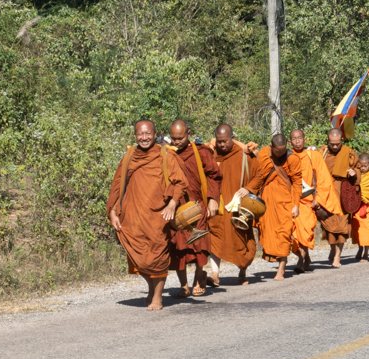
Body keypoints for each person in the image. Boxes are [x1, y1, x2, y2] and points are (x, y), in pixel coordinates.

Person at [107, 120, 187, 311]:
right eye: (140, 134)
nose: (144, 138)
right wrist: (112, 211)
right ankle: (151, 288)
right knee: (138, 256)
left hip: (158, 216)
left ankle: (158, 297)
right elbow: (117, 185)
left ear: (155, 134)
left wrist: (172, 204)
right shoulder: (129, 157)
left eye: (148, 134)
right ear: (135, 135)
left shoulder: (166, 155)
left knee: (158, 256)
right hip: (132, 216)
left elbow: (180, 183)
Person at [235, 134, 302, 281]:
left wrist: (296, 205)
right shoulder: (265, 153)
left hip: (286, 200)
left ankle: (281, 269)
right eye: (277, 151)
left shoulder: (292, 158)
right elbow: (256, 173)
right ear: (271, 147)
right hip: (266, 200)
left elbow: (297, 182)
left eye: (283, 150)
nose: (281, 153)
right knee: (268, 231)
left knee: (284, 232)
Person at [167, 120, 221, 297]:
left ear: (188, 134)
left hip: (198, 206)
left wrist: (213, 199)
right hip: (176, 207)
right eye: (174, 138)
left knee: (199, 243)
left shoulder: (201, 152)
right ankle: (183, 285)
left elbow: (214, 175)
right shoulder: (167, 154)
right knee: (178, 248)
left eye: (180, 138)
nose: (177, 142)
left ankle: (199, 275)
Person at [207, 124, 259, 286]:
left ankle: (242, 270)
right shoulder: (211, 154)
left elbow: (259, 175)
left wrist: (248, 188)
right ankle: (214, 274)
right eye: (219, 142)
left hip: (238, 207)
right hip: (219, 205)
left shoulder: (244, 154)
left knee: (241, 240)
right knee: (214, 237)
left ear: (232, 138)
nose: (222, 145)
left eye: (225, 141)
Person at [289, 129, 335, 273]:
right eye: (294, 139)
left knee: (306, 230)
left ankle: (301, 261)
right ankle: (305, 256)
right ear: (289, 142)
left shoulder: (313, 156)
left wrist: (319, 199)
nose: (297, 141)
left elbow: (323, 179)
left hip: (307, 200)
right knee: (293, 232)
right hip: (291, 201)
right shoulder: (287, 155)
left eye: (299, 138)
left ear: (305, 140)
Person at [319, 128, 358, 268]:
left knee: (342, 225)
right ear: (327, 140)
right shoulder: (322, 152)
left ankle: (337, 256)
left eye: (337, 144)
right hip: (327, 192)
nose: (335, 147)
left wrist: (354, 173)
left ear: (341, 140)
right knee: (329, 224)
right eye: (332, 144)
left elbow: (358, 168)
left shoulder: (348, 152)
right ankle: (332, 249)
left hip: (343, 192)